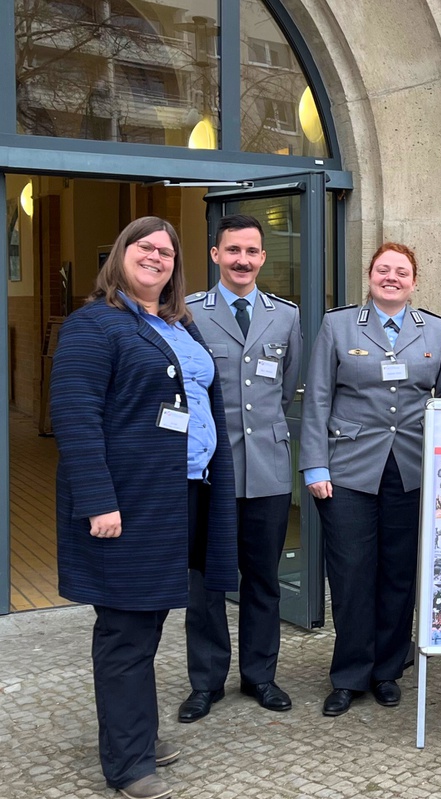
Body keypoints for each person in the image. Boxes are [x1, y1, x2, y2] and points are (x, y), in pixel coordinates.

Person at [51, 216, 237, 799]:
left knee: (152, 617)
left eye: (166, 251)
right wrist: (98, 502)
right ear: (122, 255)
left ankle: (133, 732)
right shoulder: (95, 324)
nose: (156, 256)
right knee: (127, 628)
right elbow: (76, 419)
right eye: (145, 247)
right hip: (130, 501)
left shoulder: (179, 325)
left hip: (185, 491)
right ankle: (129, 765)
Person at [300, 242, 441, 717]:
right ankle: (350, 674)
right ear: (370, 276)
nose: (391, 277)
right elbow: (316, 397)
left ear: (414, 282)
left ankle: (387, 669)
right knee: (353, 573)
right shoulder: (338, 325)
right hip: (349, 468)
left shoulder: (435, 329)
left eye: (401, 271)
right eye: (383, 270)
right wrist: (315, 465)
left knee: (399, 572)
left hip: (413, 469)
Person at [178, 214, 302, 723]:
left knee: (263, 579)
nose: (242, 260)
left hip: (268, 469)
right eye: (233, 251)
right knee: (205, 581)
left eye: (251, 251)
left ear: (263, 257)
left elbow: (287, 384)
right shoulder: (188, 313)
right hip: (211, 469)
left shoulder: (286, 316)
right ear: (215, 255)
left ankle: (260, 675)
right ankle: (206, 682)